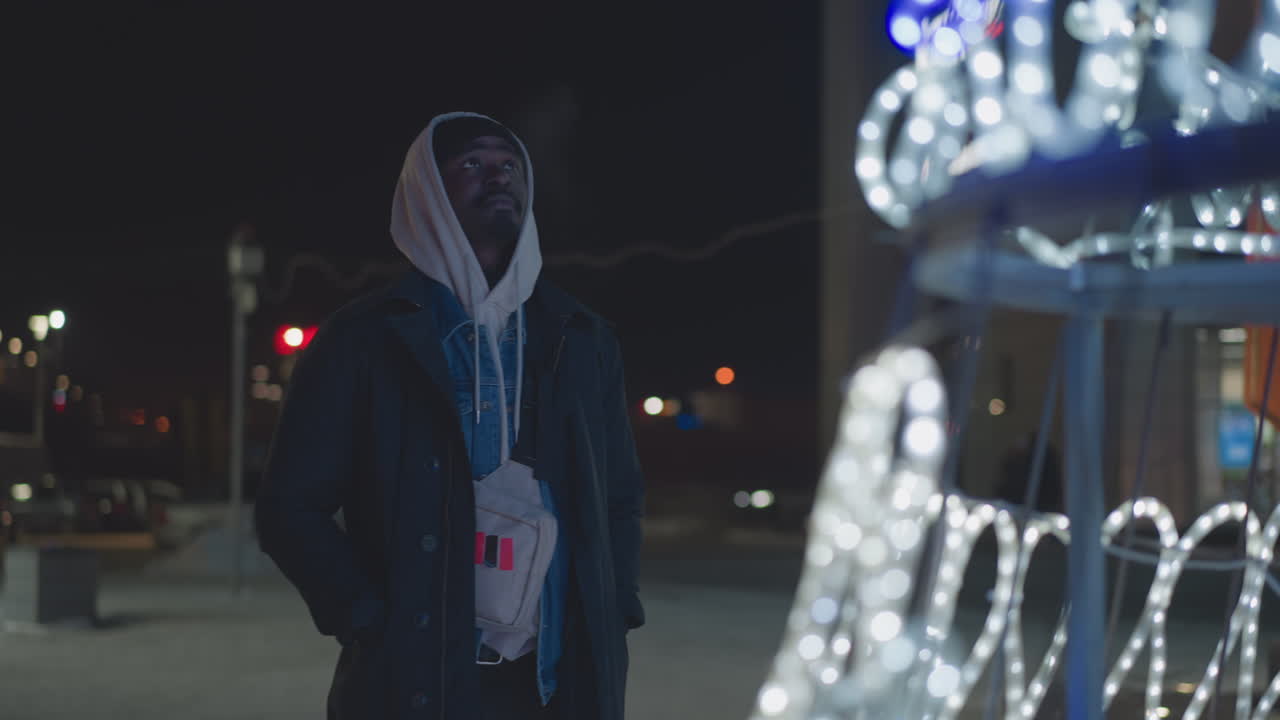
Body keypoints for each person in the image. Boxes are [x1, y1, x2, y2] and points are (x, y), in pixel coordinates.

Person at [255, 112, 645, 720]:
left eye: (510, 165)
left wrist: (614, 606)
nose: (498, 178)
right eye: (472, 165)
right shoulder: (363, 340)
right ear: (428, 194)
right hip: (419, 684)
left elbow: (617, 495)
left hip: (556, 684)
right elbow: (289, 509)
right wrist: (368, 619)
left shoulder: (581, 337)